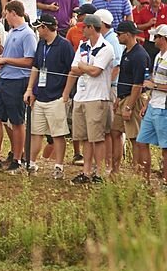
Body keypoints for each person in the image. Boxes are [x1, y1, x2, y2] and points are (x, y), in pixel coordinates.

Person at [0, 1, 35, 172]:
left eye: (6, 13)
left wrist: (6, 60)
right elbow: (12, 55)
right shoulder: (12, 32)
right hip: (3, 79)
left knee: (17, 121)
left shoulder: (27, 34)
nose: (4, 16)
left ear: (13, 13)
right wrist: (0, 52)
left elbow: (29, 61)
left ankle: (18, 159)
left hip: (18, 81)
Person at [63, 13, 115, 184]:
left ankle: (99, 172)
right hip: (81, 95)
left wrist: (83, 67)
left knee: (97, 137)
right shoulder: (83, 46)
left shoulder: (106, 47)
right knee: (84, 137)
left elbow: (95, 71)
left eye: (84, 27)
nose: (82, 30)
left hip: (97, 97)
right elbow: (73, 67)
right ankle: (86, 172)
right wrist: (86, 68)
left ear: (92, 27)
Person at [24, 14, 75, 179]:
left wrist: (65, 94)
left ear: (45, 27)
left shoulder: (64, 46)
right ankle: (31, 163)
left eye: (39, 27)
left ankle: (59, 166)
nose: (38, 30)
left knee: (58, 134)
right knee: (35, 132)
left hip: (56, 96)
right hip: (40, 95)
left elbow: (71, 71)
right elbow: (36, 67)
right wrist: (30, 89)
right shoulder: (41, 44)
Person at [109, 20, 150, 175]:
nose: (118, 36)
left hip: (134, 98)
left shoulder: (139, 55)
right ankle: (115, 169)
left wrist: (129, 106)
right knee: (115, 131)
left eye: (119, 34)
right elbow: (124, 77)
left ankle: (138, 172)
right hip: (124, 97)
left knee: (135, 137)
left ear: (127, 34)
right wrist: (119, 98)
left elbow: (138, 84)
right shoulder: (127, 51)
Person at [135, 25, 167, 185]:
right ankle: (145, 181)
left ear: (163, 39)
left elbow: (154, 84)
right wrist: (146, 104)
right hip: (153, 105)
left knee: (165, 148)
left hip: (164, 107)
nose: (153, 40)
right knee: (142, 141)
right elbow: (153, 81)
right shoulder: (157, 56)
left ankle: (165, 181)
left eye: (156, 37)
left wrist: (153, 87)